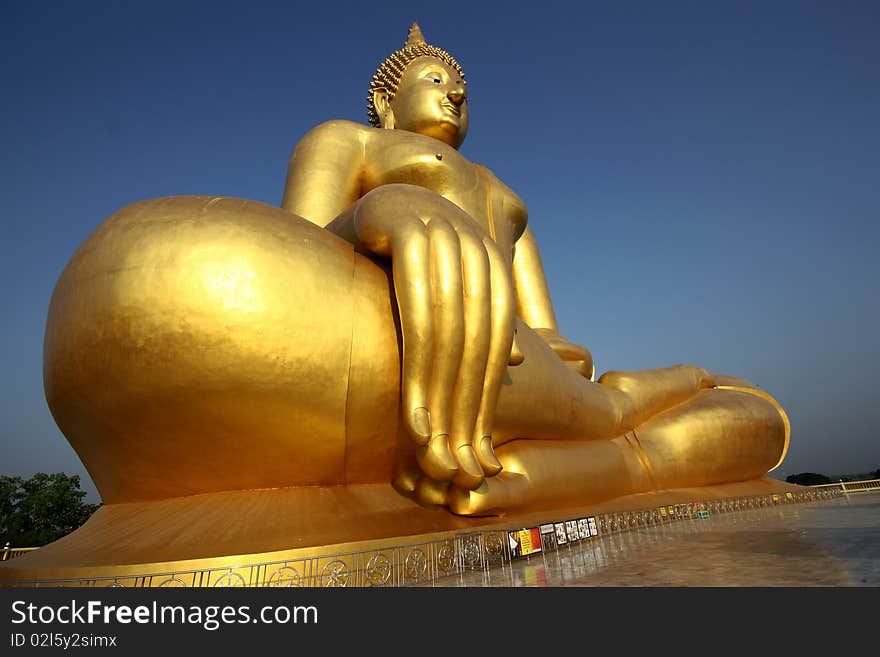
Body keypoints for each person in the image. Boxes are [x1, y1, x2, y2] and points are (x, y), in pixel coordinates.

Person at [43, 24, 788, 517]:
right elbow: (296, 254)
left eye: (460, 88)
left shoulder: (503, 195)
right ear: (384, 99)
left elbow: (550, 331)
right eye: (435, 79)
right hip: (386, 329)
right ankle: (629, 447)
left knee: (642, 409)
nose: (455, 94)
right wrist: (380, 210)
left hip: (512, 361)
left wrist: (556, 352)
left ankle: (678, 395)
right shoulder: (348, 142)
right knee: (194, 268)